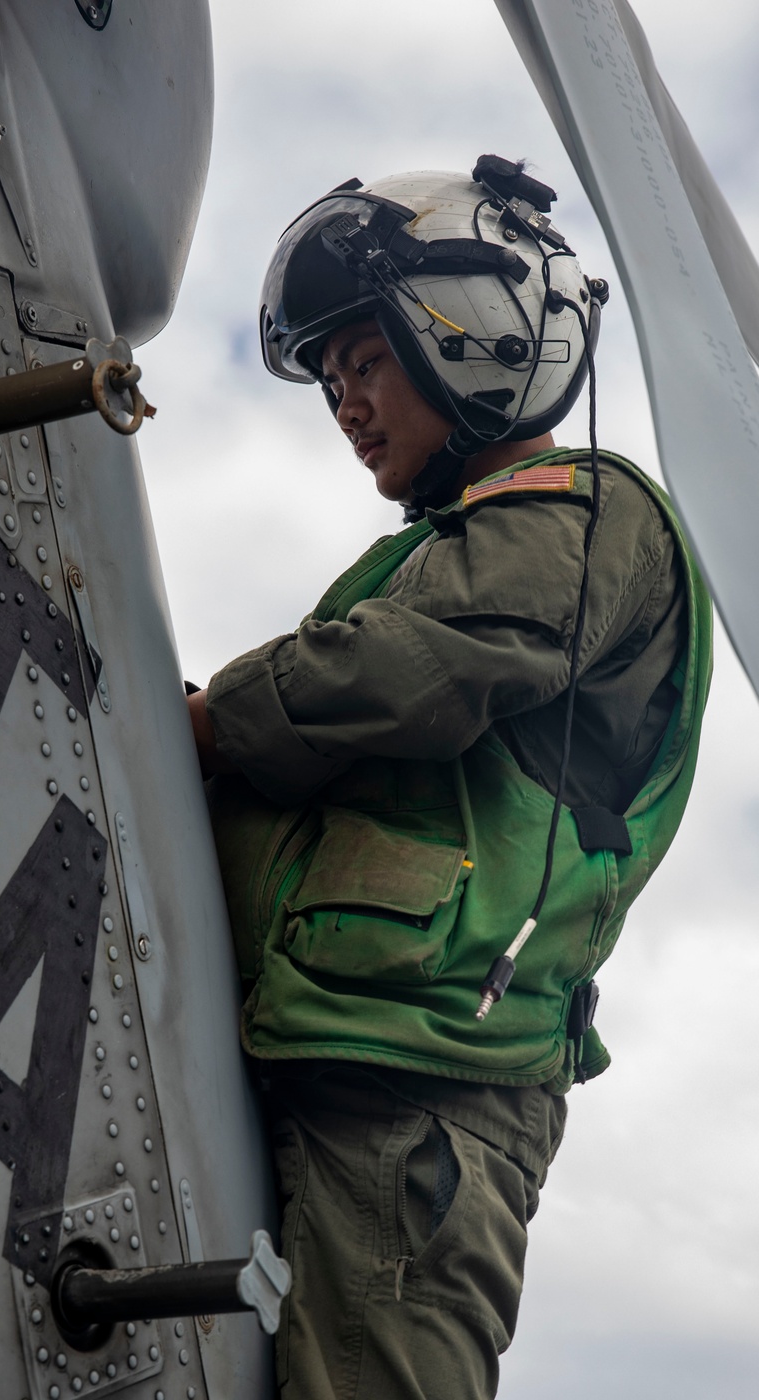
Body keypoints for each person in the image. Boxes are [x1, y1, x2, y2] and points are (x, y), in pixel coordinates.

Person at [186, 158, 712, 1400]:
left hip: (417, 1106)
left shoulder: (590, 517)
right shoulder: (438, 548)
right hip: (330, 1057)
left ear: (468, 330)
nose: (345, 404)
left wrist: (205, 723)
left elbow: (407, 672)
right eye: (327, 381)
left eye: (362, 361)